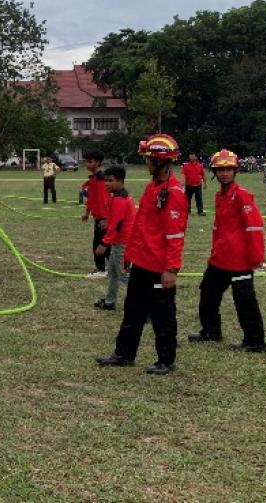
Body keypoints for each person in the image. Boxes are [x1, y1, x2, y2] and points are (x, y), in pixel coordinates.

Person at [96, 134, 188, 375]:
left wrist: (171, 268)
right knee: (133, 310)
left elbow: (175, 236)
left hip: (159, 267)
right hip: (141, 263)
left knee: (162, 316)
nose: (146, 163)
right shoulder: (152, 188)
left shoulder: (174, 193)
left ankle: (166, 360)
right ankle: (124, 354)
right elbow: (140, 225)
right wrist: (130, 253)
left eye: (149, 159)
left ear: (161, 161)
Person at [189, 149, 266, 352]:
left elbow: (255, 226)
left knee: (244, 300)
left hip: (240, 260)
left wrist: (256, 257)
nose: (224, 173)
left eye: (228, 169)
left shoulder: (242, 196)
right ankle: (211, 331)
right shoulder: (221, 195)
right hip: (220, 259)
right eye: (220, 170)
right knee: (207, 293)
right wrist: (214, 252)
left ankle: (255, 341)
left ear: (235, 171)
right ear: (214, 172)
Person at [93, 166, 136, 311]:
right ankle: (110, 301)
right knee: (112, 273)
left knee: (124, 276)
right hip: (118, 243)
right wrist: (107, 219)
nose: (106, 184)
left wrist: (104, 243)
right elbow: (117, 218)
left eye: (110, 181)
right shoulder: (119, 196)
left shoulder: (120, 199)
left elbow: (117, 225)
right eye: (105, 180)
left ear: (120, 181)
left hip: (122, 244)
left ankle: (145, 305)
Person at [81, 150, 110, 278]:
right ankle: (113, 268)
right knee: (106, 244)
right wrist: (87, 212)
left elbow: (104, 200)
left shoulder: (100, 179)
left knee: (99, 244)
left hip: (102, 218)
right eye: (86, 161)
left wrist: (105, 218)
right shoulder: (93, 179)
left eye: (90, 161)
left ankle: (101, 270)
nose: (87, 164)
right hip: (97, 217)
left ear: (97, 163)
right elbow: (91, 199)